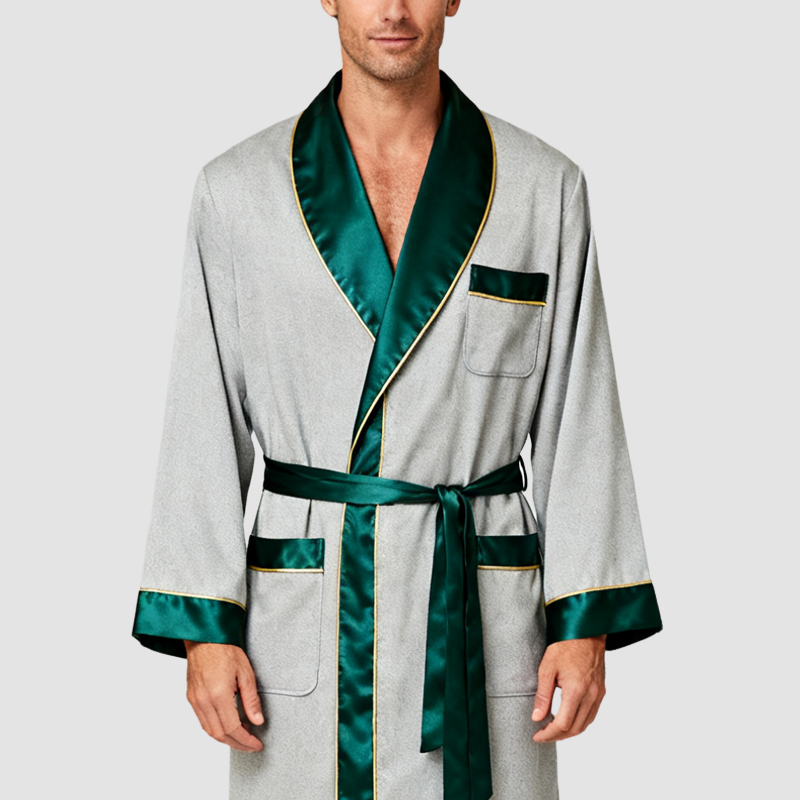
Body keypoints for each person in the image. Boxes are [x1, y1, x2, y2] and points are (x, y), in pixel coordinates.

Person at [131, 1, 663, 798]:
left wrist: (583, 618)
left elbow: (580, 411)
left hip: (479, 610)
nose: (392, 8)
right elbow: (200, 416)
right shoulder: (237, 192)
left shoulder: (541, 188)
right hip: (307, 620)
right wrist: (205, 627)